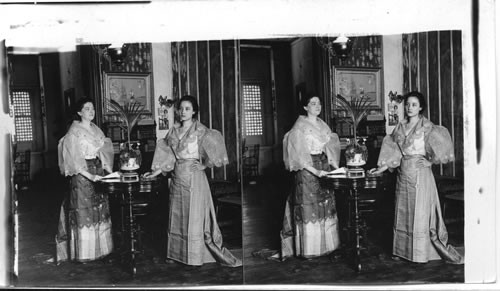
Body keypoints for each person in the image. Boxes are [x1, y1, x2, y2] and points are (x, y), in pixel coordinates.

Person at [144, 95, 242, 267]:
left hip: (194, 179)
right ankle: (176, 254)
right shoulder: (173, 131)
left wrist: (205, 165)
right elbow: (170, 158)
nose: (183, 112)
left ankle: (194, 256)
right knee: (176, 215)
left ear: (194, 111)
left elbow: (216, 151)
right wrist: (155, 173)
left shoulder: (201, 131)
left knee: (194, 217)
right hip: (177, 177)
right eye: (181, 108)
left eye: (187, 109)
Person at [369, 91, 463, 264]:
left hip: (420, 175)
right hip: (403, 174)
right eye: (407, 104)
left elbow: (443, 146)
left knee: (420, 214)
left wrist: (431, 162)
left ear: (420, 107)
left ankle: (419, 254)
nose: (409, 107)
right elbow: (395, 154)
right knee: (403, 211)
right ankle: (402, 251)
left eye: (413, 104)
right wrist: (380, 168)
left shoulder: (427, 127)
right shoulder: (400, 127)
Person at [276, 93, 342, 260]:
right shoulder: (299, 127)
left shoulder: (322, 125)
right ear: (305, 107)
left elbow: (329, 148)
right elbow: (298, 157)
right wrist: (315, 171)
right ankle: (309, 249)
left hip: (323, 166)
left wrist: (336, 168)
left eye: (319, 103)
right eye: (313, 103)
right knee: (309, 207)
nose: (317, 106)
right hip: (307, 171)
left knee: (325, 205)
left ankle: (327, 246)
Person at [56, 97, 115, 263]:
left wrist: (109, 173)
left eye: (93, 108)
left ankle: (102, 249)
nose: (91, 111)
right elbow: (73, 160)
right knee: (84, 211)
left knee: (100, 209)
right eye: (87, 108)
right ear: (79, 112)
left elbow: (104, 153)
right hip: (82, 176)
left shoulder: (97, 131)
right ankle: (85, 253)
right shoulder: (73, 132)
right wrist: (90, 176)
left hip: (98, 172)